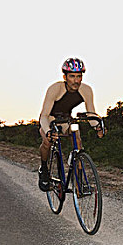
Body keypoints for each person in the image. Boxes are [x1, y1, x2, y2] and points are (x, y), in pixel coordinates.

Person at [38, 57, 104, 191]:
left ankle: (79, 181)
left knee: (77, 136)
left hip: (66, 119)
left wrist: (97, 125)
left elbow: (91, 113)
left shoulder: (86, 90)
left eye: (79, 76)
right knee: (47, 142)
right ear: (65, 77)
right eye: (72, 76)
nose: (76, 80)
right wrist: (47, 131)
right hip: (50, 119)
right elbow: (44, 115)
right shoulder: (55, 89)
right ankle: (44, 170)